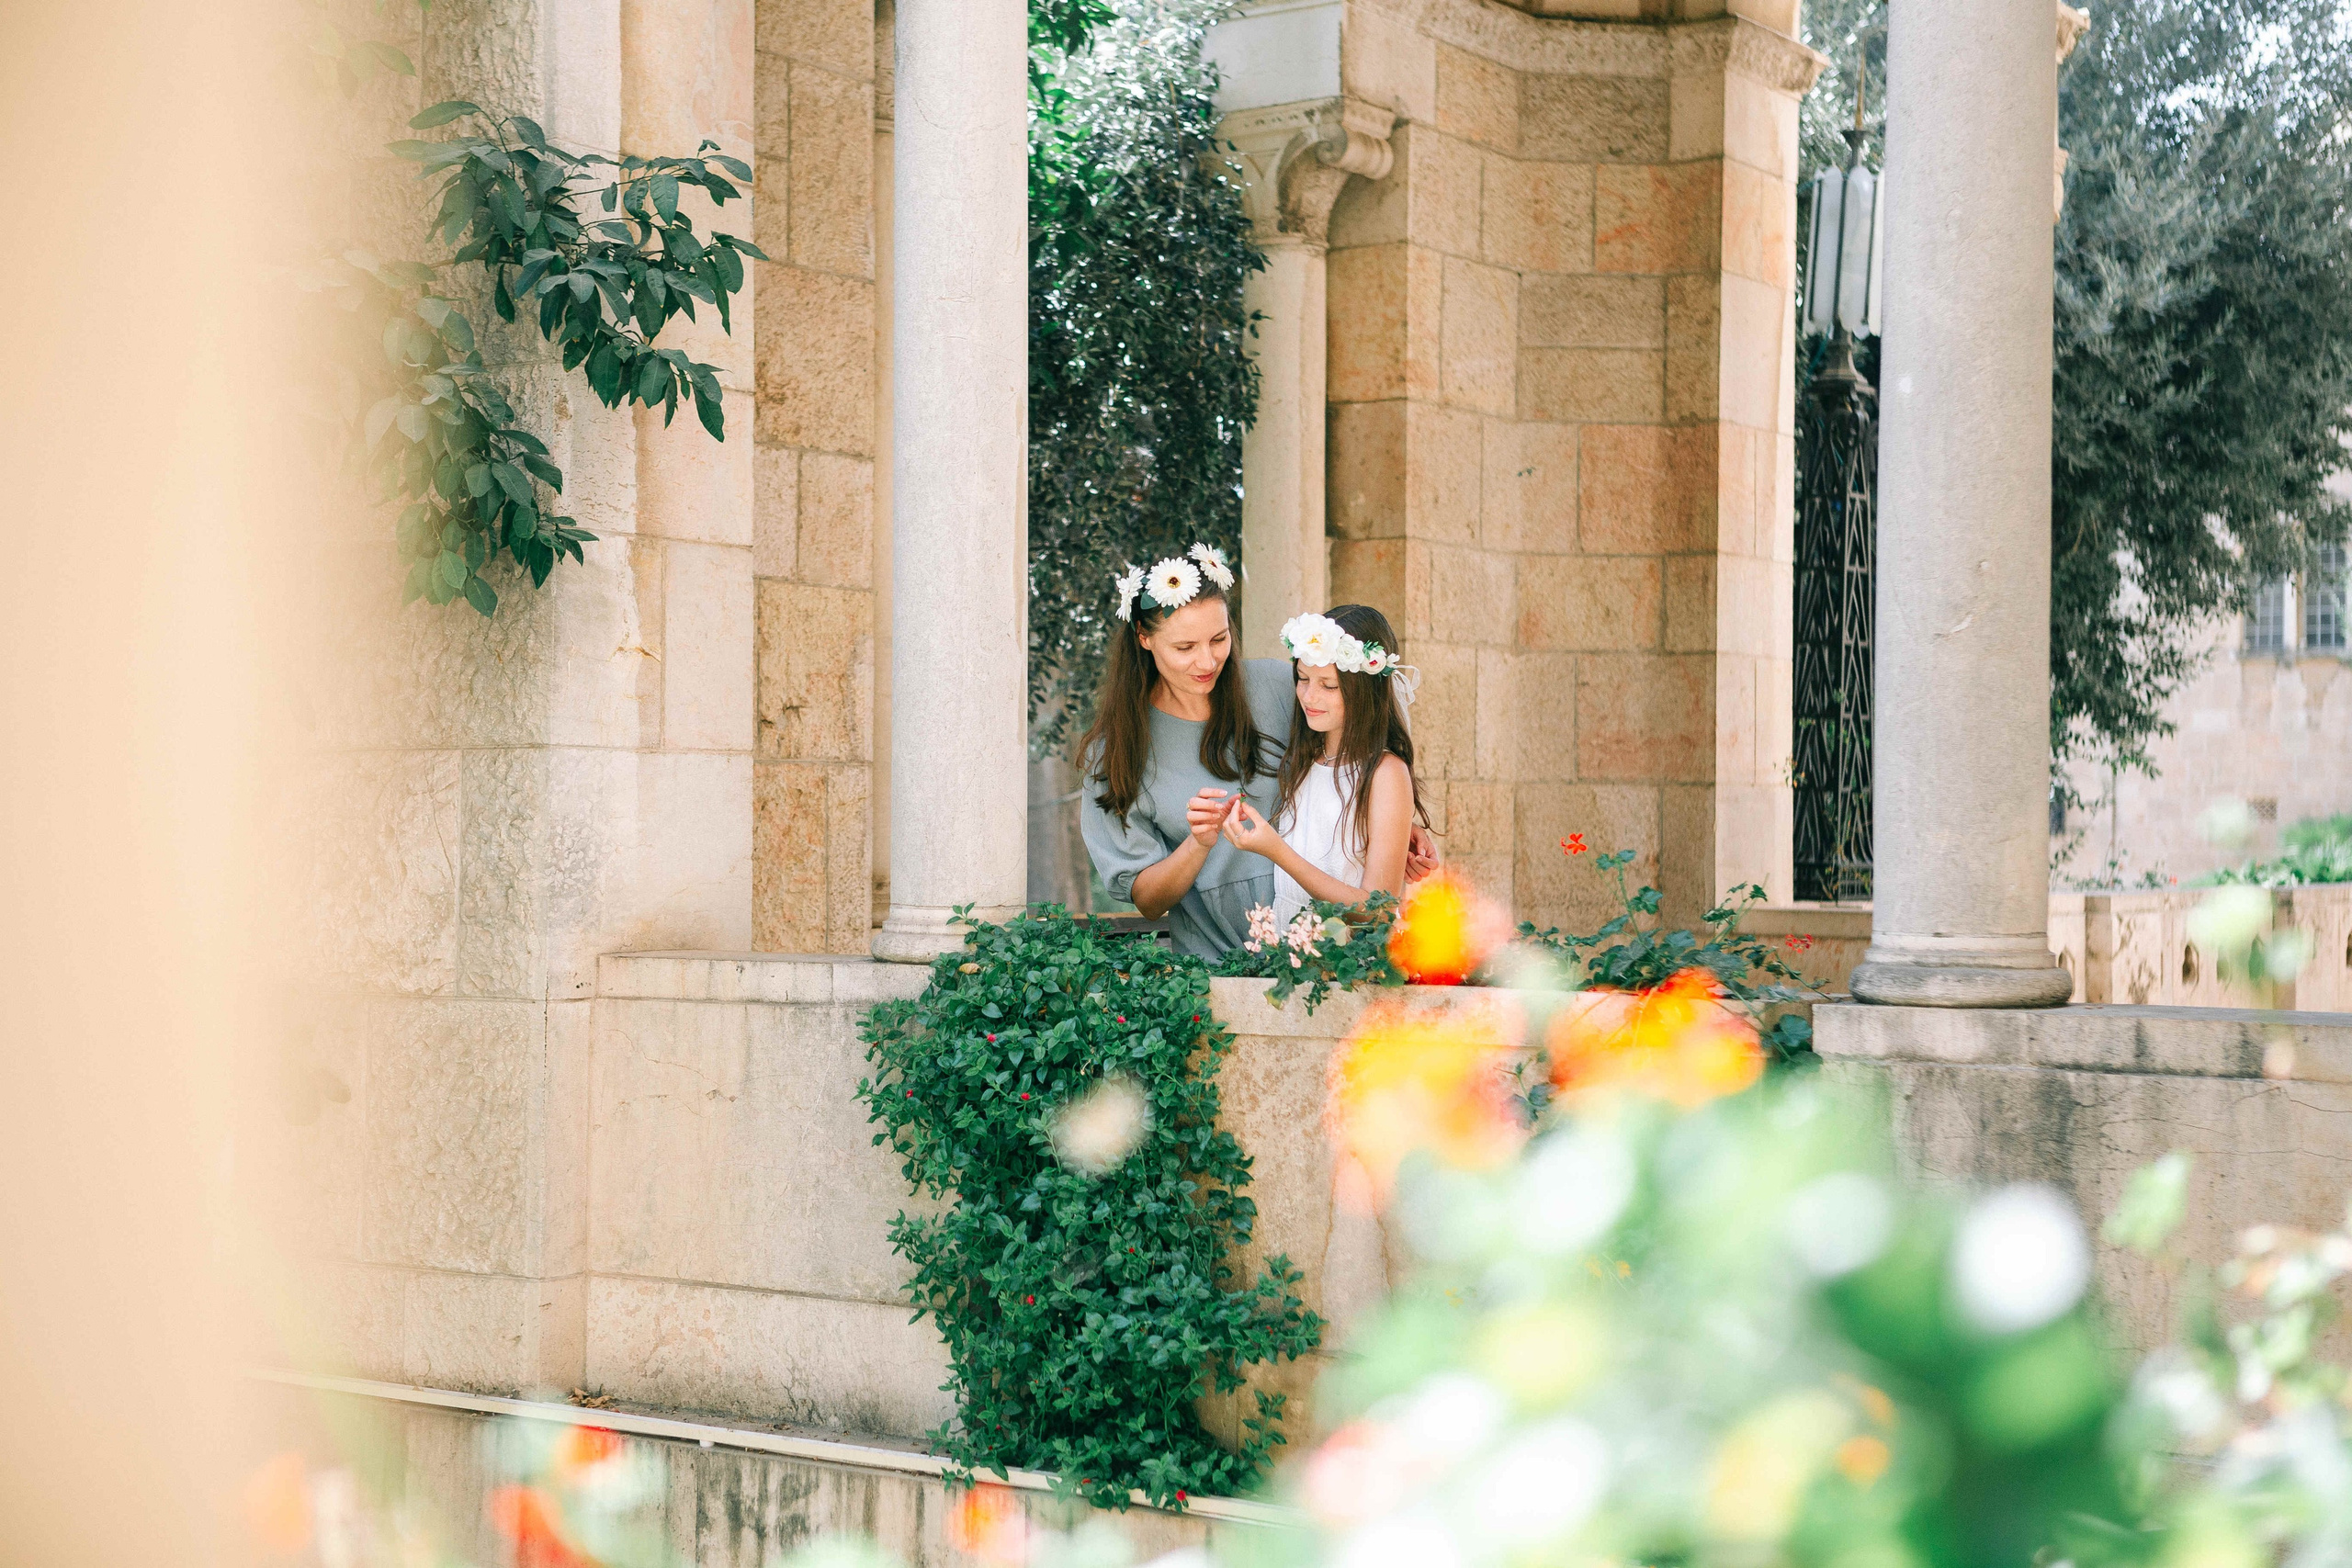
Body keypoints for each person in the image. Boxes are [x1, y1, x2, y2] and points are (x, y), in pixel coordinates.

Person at [1077, 548, 1432, 959]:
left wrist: (1395, 825)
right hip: (1213, 960)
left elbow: (1351, 762)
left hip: (1322, 953)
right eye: (1185, 647)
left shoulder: (1284, 686)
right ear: (1144, 637)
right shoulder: (1116, 753)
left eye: (1219, 638)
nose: (1207, 660)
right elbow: (1149, 901)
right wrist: (1198, 842)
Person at [1219, 605, 1427, 927]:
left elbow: (1377, 909)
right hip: (1289, 946)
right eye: (1302, 679)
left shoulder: (1385, 773)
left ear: (1364, 690)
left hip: (1346, 958)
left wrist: (1276, 851)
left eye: (1328, 686)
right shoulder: (1303, 758)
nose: (1309, 697)